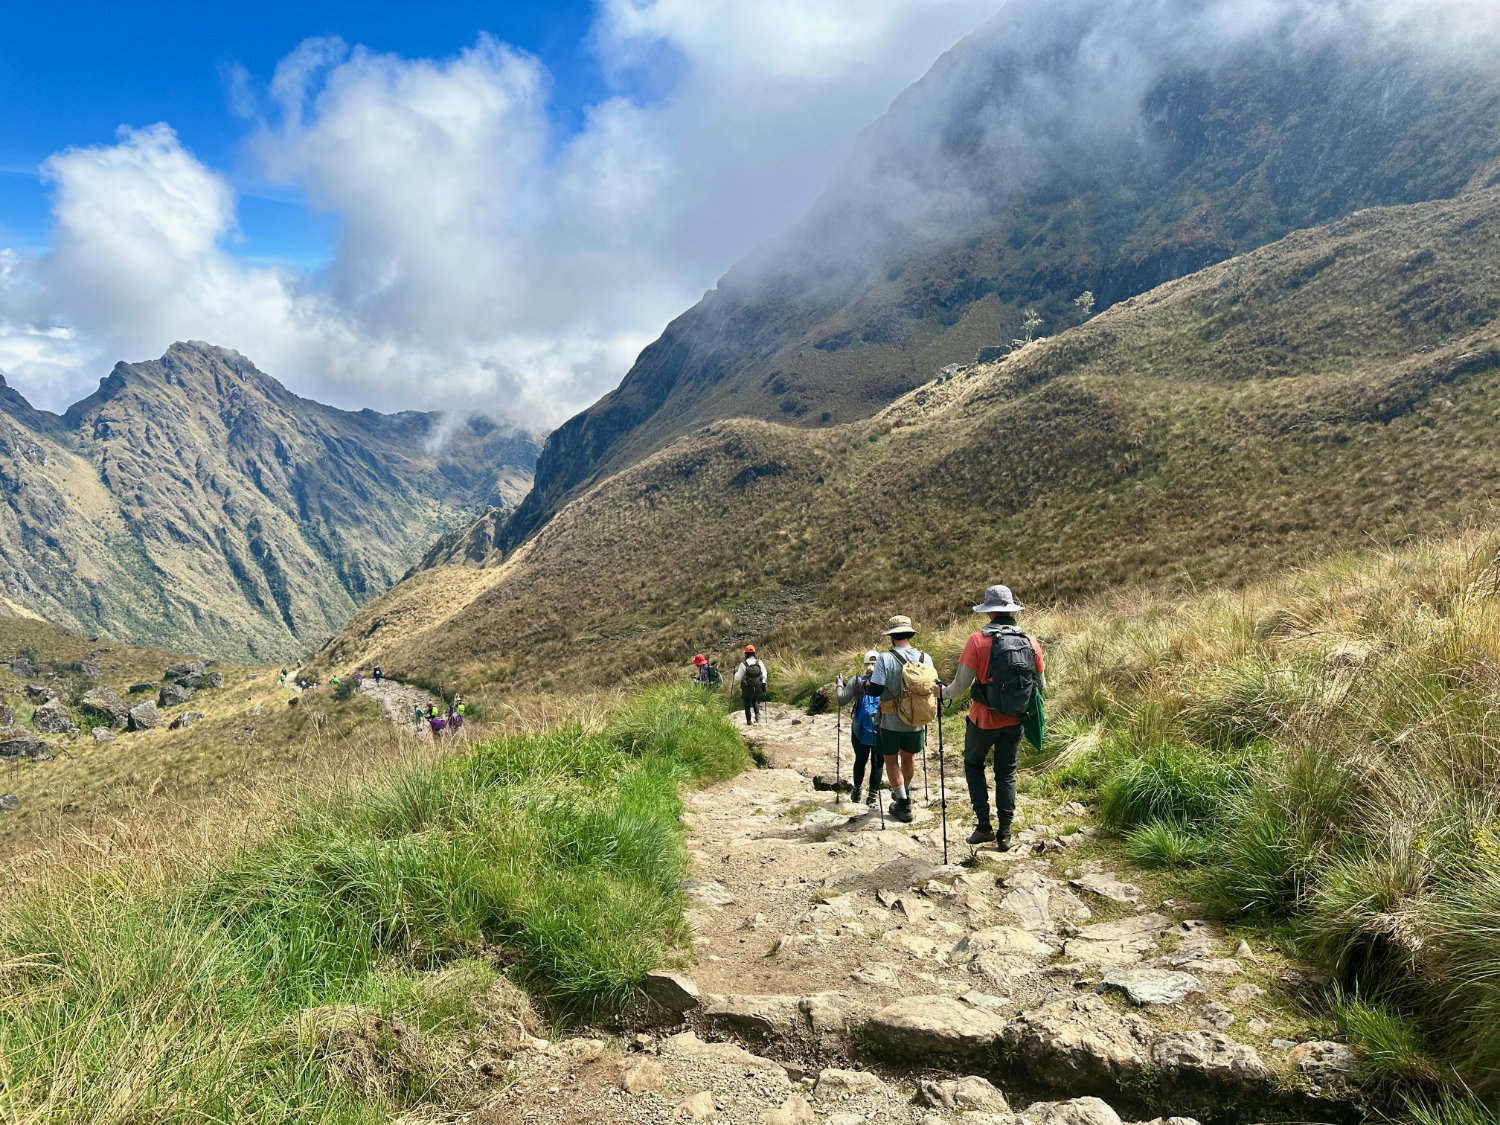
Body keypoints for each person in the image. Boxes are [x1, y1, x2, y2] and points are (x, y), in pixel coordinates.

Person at [938, 584, 1045, 851]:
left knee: (973, 765)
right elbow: (1041, 685)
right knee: (1006, 773)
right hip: (1015, 720)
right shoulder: (1031, 642)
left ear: (988, 612)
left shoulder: (977, 641)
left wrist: (942, 693)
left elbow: (959, 686)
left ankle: (984, 827)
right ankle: (1005, 834)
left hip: (983, 720)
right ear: (1011, 610)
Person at [865, 616, 938, 824]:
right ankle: (904, 791)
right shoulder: (925, 658)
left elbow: (875, 690)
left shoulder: (885, 658)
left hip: (891, 720)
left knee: (890, 760)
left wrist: (866, 685)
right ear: (910, 635)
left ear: (891, 637)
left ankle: (903, 803)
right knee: (909, 758)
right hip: (916, 719)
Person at [835, 650, 883, 806]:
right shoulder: (886, 681)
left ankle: (856, 792)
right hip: (882, 727)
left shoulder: (857, 681)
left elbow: (841, 701)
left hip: (859, 728)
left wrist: (839, 684)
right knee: (877, 762)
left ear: (864, 665)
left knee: (860, 760)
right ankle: (872, 797)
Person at [733, 645, 769, 724]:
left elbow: (738, 677)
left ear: (746, 654)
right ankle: (757, 716)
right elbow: (764, 675)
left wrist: (735, 673)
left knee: (747, 704)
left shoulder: (743, 664)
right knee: (755, 700)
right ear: (754, 653)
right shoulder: (759, 662)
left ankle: (749, 721)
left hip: (747, 687)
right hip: (758, 686)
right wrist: (763, 683)